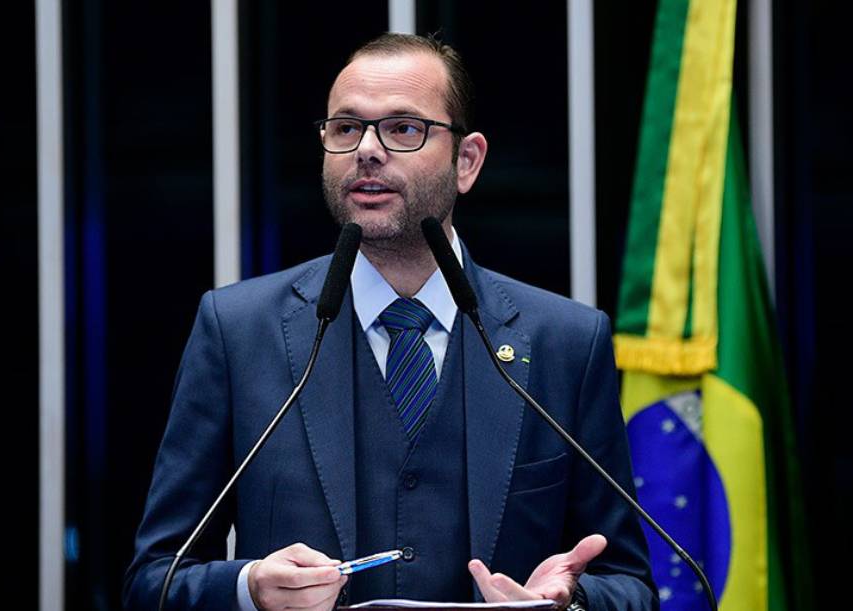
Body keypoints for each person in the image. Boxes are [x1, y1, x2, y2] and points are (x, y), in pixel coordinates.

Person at [124, 33, 657, 611]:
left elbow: (630, 583)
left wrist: (569, 603)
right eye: (346, 128)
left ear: (467, 161)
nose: (367, 151)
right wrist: (248, 589)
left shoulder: (566, 341)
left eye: (404, 129)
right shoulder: (237, 330)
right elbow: (153, 579)